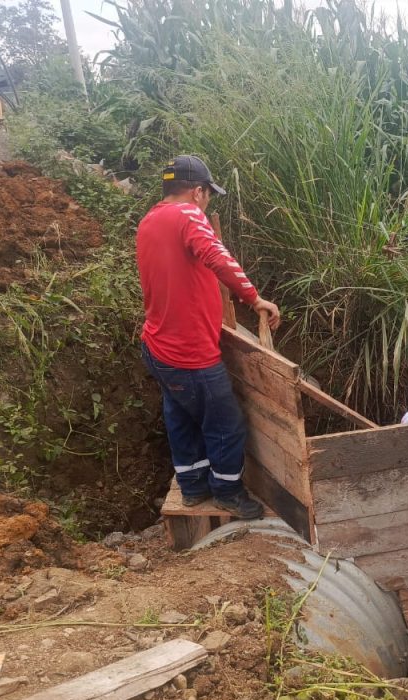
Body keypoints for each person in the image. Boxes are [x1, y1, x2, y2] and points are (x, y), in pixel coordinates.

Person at [137, 155, 281, 519]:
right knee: (226, 424)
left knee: (181, 417)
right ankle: (228, 492)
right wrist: (254, 297)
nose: (207, 202)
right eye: (208, 194)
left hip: (158, 345)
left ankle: (192, 487)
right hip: (189, 354)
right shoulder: (187, 215)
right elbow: (217, 255)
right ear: (197, 191)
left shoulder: (149, 220)